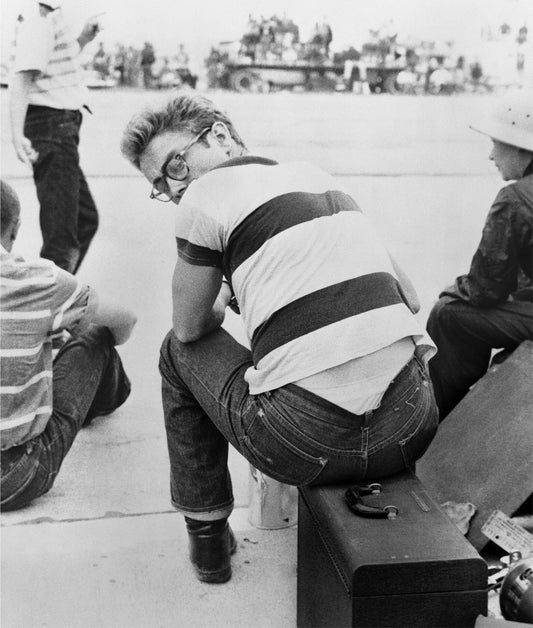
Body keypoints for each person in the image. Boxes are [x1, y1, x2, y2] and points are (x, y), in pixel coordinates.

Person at [120, 94, 438, 584]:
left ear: (221, 136)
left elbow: (188, 329)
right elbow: (411, 299)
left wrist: (225, 289)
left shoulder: (206, 198)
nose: (176, 188)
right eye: (161, 184)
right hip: (410, 427)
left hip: (305, 446)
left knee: (173, 352)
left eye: (177, 165)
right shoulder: (319, 176)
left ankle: (206, 538)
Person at [0, 180, 137, 511]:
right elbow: (125, 319)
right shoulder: (39, 279)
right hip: (15, 475)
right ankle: (104, 400)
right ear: (14, 231)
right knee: (95, 335)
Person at [427, 91, 533, 420]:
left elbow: (485, 289)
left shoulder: (514, 199)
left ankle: (438, 416)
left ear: (519, 146)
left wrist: (453, 289)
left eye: (496, 143)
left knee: (448, 313)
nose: (491, 156)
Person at [9, 0, 103, 274]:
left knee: (83, 220)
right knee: (62, 238)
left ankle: (54, 298)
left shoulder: (48, 13)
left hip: (59, 129)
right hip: (52, 129)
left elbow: (49, 64)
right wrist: (17, 134)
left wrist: (84, 39)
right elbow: (22, 76)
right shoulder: (40, 16)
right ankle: (48, 312)